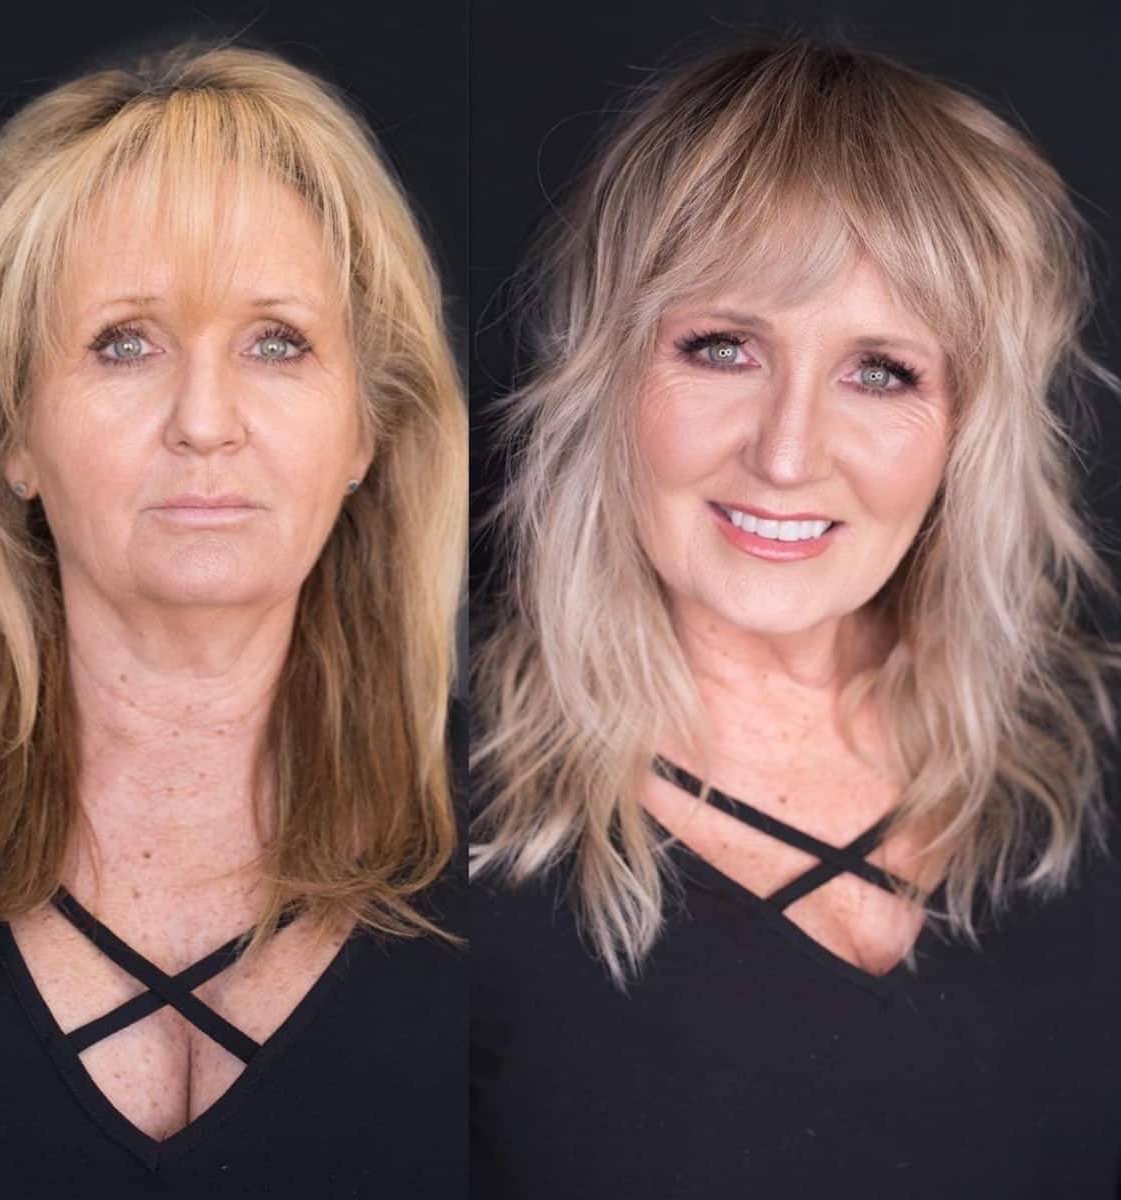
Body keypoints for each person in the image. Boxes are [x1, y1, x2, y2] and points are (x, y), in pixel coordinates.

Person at [470, 35, 1121, 1199]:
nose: (786, 453)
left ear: (969, 429)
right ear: (604, 373)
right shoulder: (419, 813)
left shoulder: (1098, 751)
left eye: (881, 371)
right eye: (723, 348)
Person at [0, 40, 467, 1197]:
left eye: (277, 342)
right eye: (125, 343)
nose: (205, 421)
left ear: (367, 429)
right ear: (12, 433)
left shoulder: (535, 862)